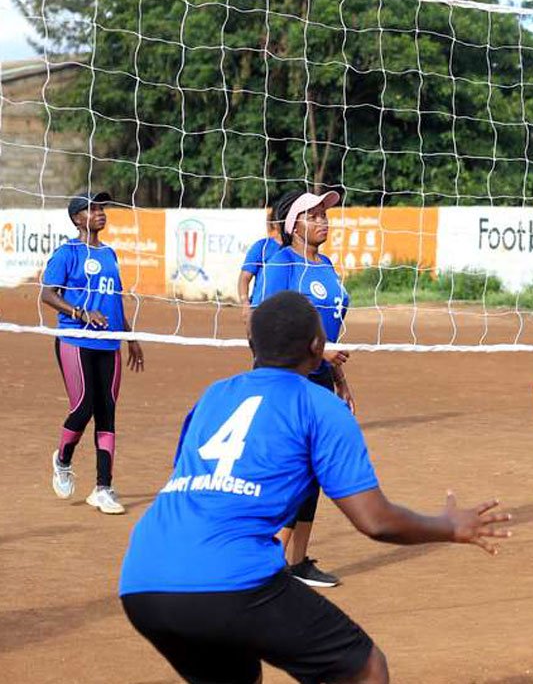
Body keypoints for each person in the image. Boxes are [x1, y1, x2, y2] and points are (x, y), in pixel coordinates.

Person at [119, 291, 511, 684]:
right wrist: (449, 526)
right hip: (230, 578)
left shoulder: (214, 395)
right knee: (365, 669)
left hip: (143, 579)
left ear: (251, 345)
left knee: (237, 674)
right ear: (318, 347)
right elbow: (374, 521)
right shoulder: (319, 405)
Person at [252, 189, 354, 587]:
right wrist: (317, 353)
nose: (323, 222)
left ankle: (297, 564)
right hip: (284, 381)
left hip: (319, 379)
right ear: (293, 225)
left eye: (324, 215)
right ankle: (268, 564)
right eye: (312, 216)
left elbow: (327, 333)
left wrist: (338, 377)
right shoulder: (281, 264)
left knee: (314, 472)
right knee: (287, 470)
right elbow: (265, 327)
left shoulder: (326, 266)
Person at [41, 191, 146, 515]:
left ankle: (103, 488)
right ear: (77, 218)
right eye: (93, 208)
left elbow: (112, 299)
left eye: (103, 208)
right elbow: (47, 293)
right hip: (75, 339)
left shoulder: (110, 254)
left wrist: (131, 337)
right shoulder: (67, 253)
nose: (101, 213)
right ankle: (63, 459)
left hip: (110, 342)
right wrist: (81, 313)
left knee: (107, 412)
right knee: (83, 405)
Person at [237, 192, 298, 324]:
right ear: (275, 223)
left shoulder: (300, 250)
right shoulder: (262, 247)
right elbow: (244, 278)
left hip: (290, 312)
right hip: (262, 310)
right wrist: (245, 303)